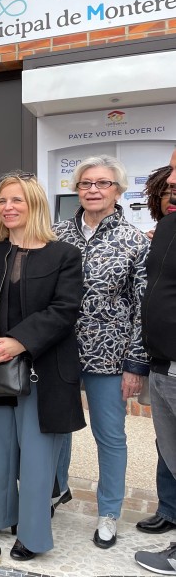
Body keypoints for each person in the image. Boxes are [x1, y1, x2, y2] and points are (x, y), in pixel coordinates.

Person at [0, 171, 85, 561]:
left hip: (44, 371)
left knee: (36, 458)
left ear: (34, 204)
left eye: (17, 200)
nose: (8, 207)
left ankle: (32, 536)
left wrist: (18, 342)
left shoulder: (64, 254)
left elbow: (65, 310)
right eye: (3, 201)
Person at [53, 155, 149, 549]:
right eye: (86, 183)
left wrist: (135, 363)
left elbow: (143, 307)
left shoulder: (135, 241)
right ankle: (54, 491)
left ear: (118, 191)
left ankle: (108, 511)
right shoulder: (56, 234)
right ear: (76, 189)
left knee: (109, 435)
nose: (93, 189)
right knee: (55, 428)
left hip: (110, 356)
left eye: (103, 183)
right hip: (57, 350)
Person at [135, 147, 176, 575]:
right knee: (170, 450)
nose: (171, 190)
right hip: (162, 362)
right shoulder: (163, 232)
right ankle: (170, 513)